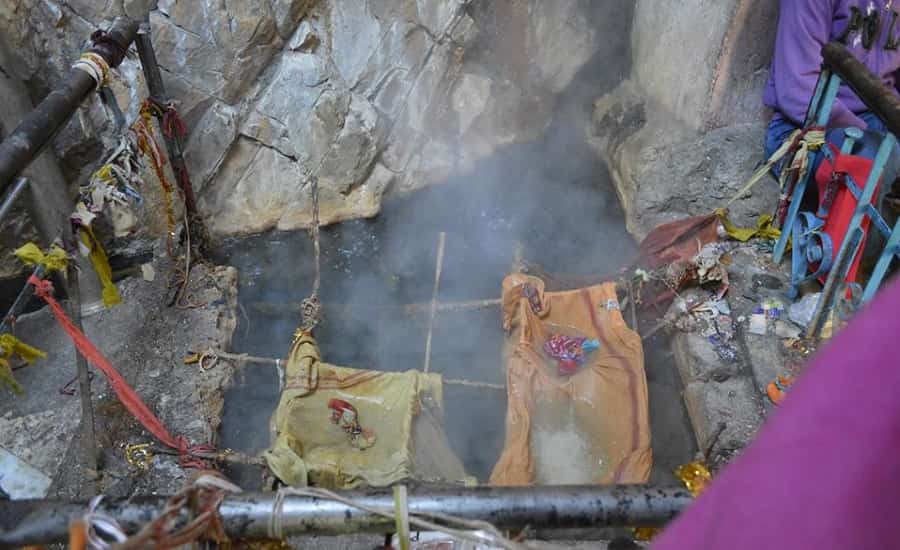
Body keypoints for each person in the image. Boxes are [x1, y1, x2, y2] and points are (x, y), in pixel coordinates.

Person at [764, 0, 900, 161]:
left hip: (880, 119)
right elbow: (797, 89)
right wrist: (868, 135)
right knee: (880, 167)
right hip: (808, 125)